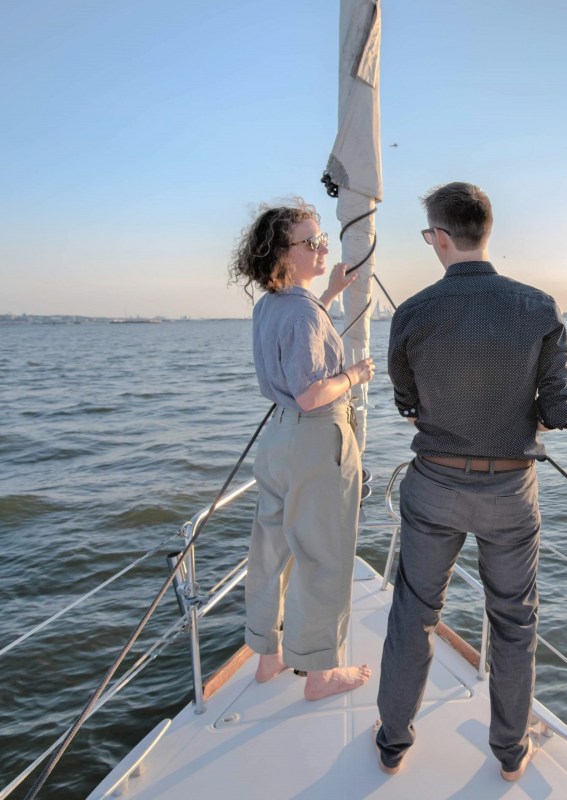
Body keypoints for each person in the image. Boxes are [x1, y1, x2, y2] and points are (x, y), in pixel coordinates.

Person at [375, 182, 567, 779]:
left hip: (434, 485)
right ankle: (511, 754)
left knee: (414, 610)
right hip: (510, 493)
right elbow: (560, 412)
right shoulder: (538, 307)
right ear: (486, 232)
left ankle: (392, 743)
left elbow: (407, 403)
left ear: (438, 238)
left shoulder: (412, 313)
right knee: (514, 622)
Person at [229, 199, 375, 700]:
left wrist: (331, 291)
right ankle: (319, 673)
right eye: (310, 241)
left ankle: (267, 655)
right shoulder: (304, 316)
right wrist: (354, 374)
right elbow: (313, 391)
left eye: (321, 239)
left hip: (279, 440)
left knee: (272, 549)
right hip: (317, 435)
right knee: (324, 554)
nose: (321, 247)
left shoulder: (271, 306)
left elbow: (301, 334)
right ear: (282, 254)